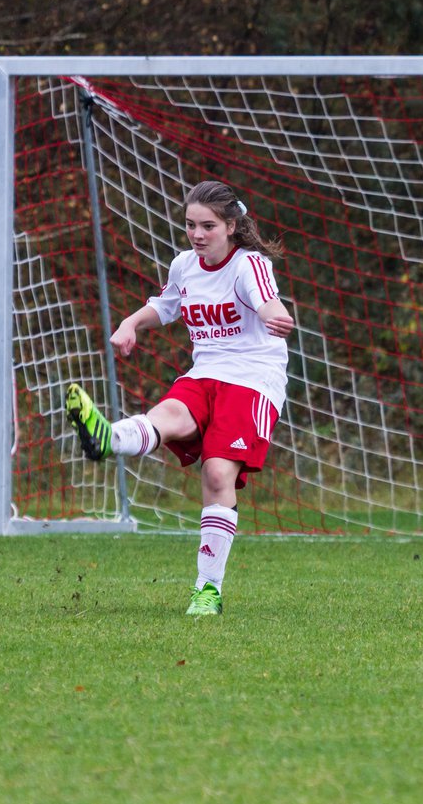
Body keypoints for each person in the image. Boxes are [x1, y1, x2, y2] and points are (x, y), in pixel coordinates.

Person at [65, 180, 294, 615]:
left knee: (216, 475)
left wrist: (276, 317)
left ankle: (207, 590)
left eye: (207, 225)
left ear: (231, 225)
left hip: (252, 380)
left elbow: (267, 303)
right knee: (167, 414)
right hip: (205, 372)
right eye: (190, 224)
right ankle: (104, 438)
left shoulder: (250, 264)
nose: (197, 234)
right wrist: (131, 323)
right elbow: (166, 305)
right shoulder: (184, 265)